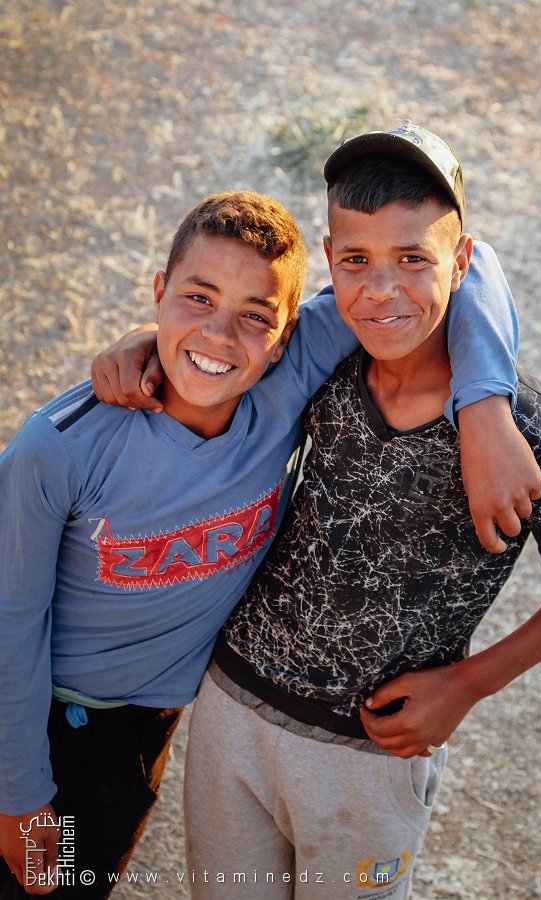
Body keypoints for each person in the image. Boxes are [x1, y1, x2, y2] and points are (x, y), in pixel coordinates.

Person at [177, 125, 541, 899]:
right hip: (232, 710)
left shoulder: (521, 425)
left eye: (415, 258)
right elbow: (218, 341)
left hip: (370, 753)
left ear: (462, 261)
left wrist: (474, 682)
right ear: (331, 261)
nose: (382, 290)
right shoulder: (326, 360)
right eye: (356, 262)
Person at [0, 190, 361, 898]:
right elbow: (8, 622)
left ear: (287, 335)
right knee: (28, 881)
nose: (222, 335)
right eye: (198, 298)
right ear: (159, 292)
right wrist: (17, 792)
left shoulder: (282, 389)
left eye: (255, 315)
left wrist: (486, 399)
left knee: (72, 888)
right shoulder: (60, 448)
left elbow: (456, 269)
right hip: (32, 723)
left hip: (137, 736)